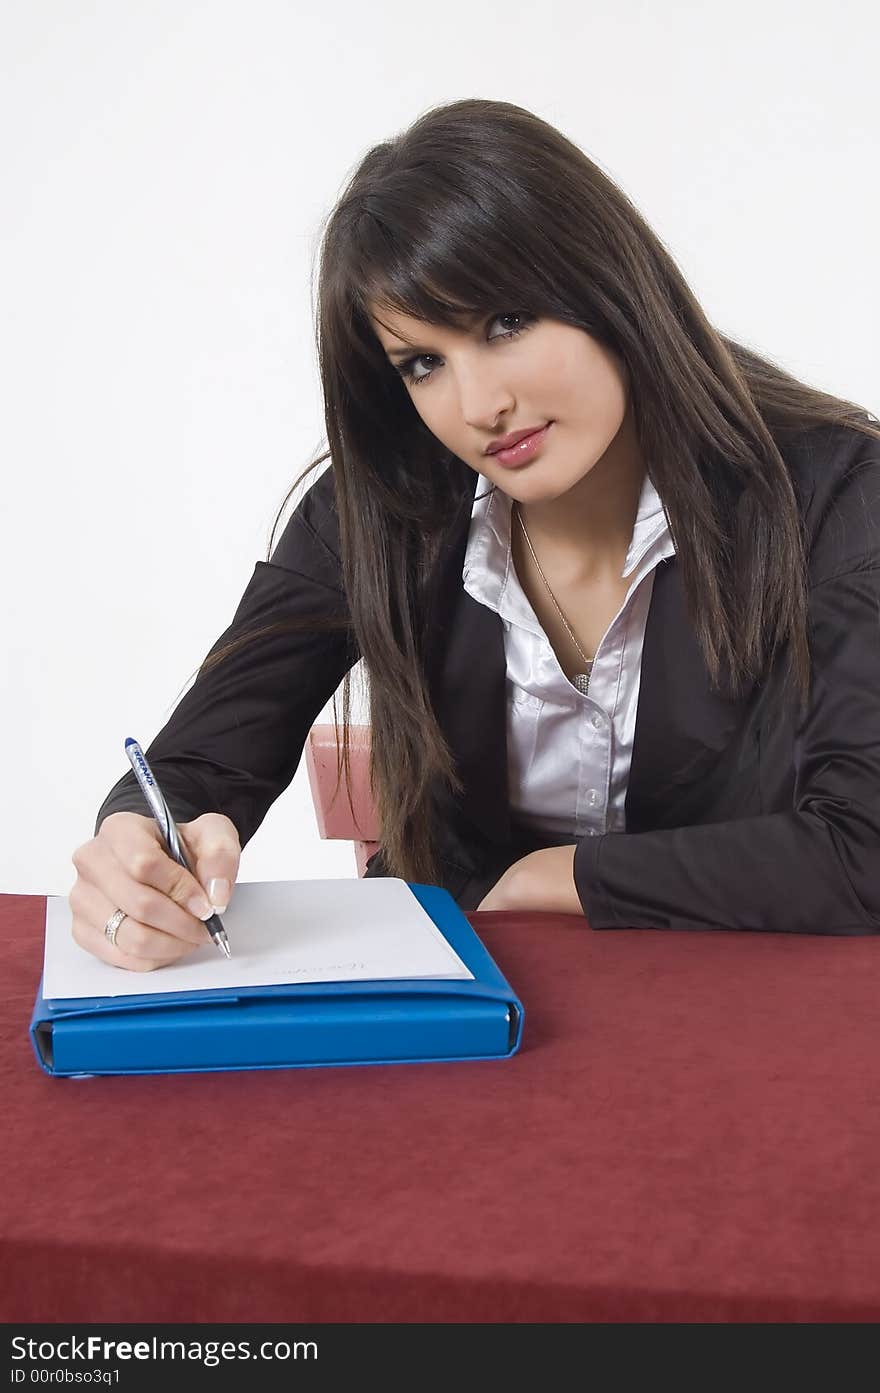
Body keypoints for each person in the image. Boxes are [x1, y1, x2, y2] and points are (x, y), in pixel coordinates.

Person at [69, 97, 880, 972]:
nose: (478, 405)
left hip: (733, 1003)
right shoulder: (378, 508)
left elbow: (863, 850)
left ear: (609, 285)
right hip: (458, 1002)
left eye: (507, 323)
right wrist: (136, 844)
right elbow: (200, 765)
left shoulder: (832, 494)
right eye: (423, 363)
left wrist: (546, 878)